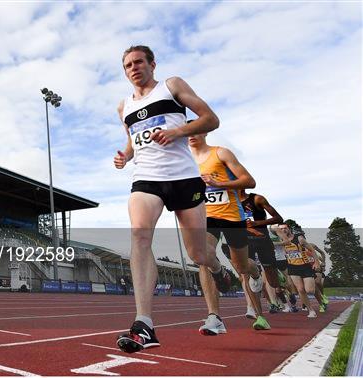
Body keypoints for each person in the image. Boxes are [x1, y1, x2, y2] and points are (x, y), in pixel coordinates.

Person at [113, 45, 231, 353]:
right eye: (128, 65)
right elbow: (132, 139)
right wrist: (125, 156)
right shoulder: (123, 106)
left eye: (139, 62)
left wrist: (179, 132)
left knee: (198, 255)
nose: (133, 68)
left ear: (152, 64)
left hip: (183, 179)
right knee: (139, 235)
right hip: (146, 179)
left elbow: (211, 119)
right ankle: (144, 324)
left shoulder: (172, 86)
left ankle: (218, 270)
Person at [189, 133, 269, 333]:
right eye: (186, 133)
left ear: (204, 132)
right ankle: (214, 317)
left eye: (195, 131)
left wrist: (219, 184)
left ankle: (255, 272)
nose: (190, 136)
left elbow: (249, 181)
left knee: (241, 266)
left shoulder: (220, 153)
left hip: (232, 217)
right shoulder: (184, 161)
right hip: (207, 217)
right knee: (202, 257)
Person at [240, 190, 285, 314]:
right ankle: (252, 309)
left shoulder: (257, 199)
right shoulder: (229, 203)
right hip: (244, 242)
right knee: (245, 273)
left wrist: (257, 223)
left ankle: (275, 275)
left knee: (273, 282)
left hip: (262, 240)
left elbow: (279, 218)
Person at [273, 223, 323, 317]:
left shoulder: (299, 238)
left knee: (309, 290)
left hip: (305, 266)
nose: (283, 230)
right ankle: (311, 310)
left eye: (285, 228)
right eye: (281, 229)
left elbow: (311, 249)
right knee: (300, 289)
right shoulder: (281, 241)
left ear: (289, 229)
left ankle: (320, 298)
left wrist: (316, 262)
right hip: (292, 267)